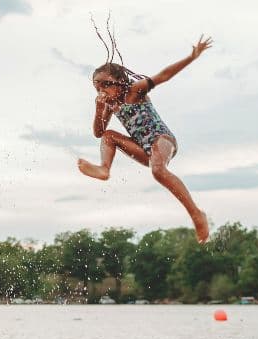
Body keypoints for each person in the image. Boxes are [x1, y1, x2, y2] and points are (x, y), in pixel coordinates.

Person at [77, 29, 214, 244]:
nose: (101, 90)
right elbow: (98, 133)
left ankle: (197, 214)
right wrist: (98, 110)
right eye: (97, 87)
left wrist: (191, 56)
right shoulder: (111, 106)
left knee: (158, 170)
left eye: (105, 84)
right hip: (141, 148)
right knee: (109, 135)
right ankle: (104, 169)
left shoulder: (135, 90)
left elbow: (164, 75)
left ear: (119, 81)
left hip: (162, 139)